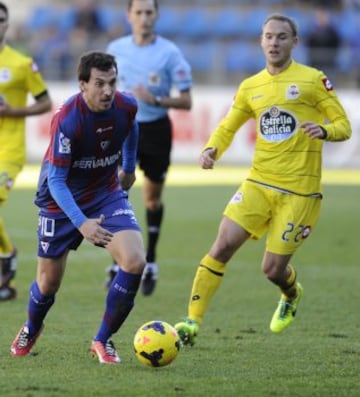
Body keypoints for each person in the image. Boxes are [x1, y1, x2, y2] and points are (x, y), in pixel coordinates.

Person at [174, 13, 351, 345]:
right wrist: (212, 148)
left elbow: (345, 125)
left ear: (294, 43)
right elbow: (229, 125)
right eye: (269, 36)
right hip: (258, 183)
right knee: (222, 245)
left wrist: (324, 129)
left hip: (300, 192)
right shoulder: (251, 86)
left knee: (272, 270)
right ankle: (191, 322)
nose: (274, 42)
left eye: (282, 37)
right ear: (260, 41)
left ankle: (291, 292)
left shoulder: (313, 80)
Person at [10, 51, 146, 365]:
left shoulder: (126, 105)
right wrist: (82, 222)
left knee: (135, 261)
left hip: (105, 193)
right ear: (82, 84)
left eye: (112, 82)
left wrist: (127, 167)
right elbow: (56, 180)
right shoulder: (69, 119)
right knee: (47, 284)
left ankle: (102, 339)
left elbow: (131, 127)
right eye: (99, 84)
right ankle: (32, 326)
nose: (108, 91)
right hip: (61, 200)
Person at [106, 0, 192, 296]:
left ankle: (151, 258)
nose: (143, 18)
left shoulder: (169, 53)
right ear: (129, 15)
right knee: (115, 194)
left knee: (151, 199)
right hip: (121, 127)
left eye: (149, 12)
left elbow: (186, 100)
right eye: (138, 12)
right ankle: (120, 261)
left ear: (156, 16)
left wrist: (156, 100)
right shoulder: (115, 48)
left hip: (155, 130)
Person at [0, 2, 52, 301]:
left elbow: (45, 102)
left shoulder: (21, 64)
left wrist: (13, 111)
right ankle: (6, 252)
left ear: (7, 25)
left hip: (9, 150)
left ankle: (6, 256)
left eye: (1, 20)